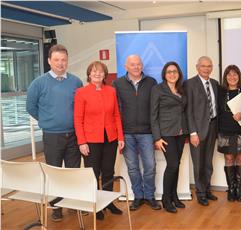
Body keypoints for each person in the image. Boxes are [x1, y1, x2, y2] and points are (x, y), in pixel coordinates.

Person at [26, 44, 83, 222]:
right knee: (55, 173)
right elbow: (31, 107)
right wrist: (47, 120)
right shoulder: (38, 83)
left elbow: (80, 107)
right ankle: (56, 207)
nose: (60, 63)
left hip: (73, 135)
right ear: (49, 61)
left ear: (67, 61)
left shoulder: (76, 82)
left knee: (73, 171)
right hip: (52, 136)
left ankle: (73, 203)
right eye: (57, 60)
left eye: (63, 60)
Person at [74, 61, 125, 220]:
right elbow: (77, 119)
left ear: (105, 75)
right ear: (89, 74)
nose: (97, 74)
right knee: (93, 173)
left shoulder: (111, 91)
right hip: (90, 140)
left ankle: (108, 202)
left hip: (110, 138)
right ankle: (96, 205)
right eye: (94, 72)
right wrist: (81, 142)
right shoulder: (81, 92)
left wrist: (121, 137)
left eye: (101, 72)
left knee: (108, 171)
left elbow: (116, 115)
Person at [113, 55, 161, 211]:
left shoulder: (151, 82)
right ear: (126, 67)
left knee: (150, 166)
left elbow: (155, 109)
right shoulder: (117, 84)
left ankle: (150, 196)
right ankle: (138, 196)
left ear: (142, 66)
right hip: (127, 133)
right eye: (132, 64)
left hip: (147, 132)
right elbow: (115, 110)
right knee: (132, 167)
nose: (136, 67)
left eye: (138, 64)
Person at [150, 61, 188, 213]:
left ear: (179, 74)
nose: (172, 74)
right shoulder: (158, 89)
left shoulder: (182, 89)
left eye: (175, 71)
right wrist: (157, 137)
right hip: (166, 133)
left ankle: (174, 196)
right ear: (164, 75)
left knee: (176, 164)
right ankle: (166, 199)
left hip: (180, 132)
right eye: (169, 72)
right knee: (172, 165)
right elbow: (153, 115)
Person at [185, 56, 219, 206]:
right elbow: (188, 110)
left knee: (208, 162)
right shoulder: (189, 84)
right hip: (197, 130)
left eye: (209, 66)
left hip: (213, 127)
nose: (206, 68)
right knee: (198, 162)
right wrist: (192, 132)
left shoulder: (215, 83)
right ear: (197, 67)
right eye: (203, 66)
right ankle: (200, 193)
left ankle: (207, 189)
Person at [217, 65, 241, 202]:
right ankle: (231, 188)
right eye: (229, 75)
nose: (232, 77)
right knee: (229, 158)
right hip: (225, 131)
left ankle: (238, 188)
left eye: (235, 74)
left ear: (239, 76)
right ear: (225, 77)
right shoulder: (220, 91)